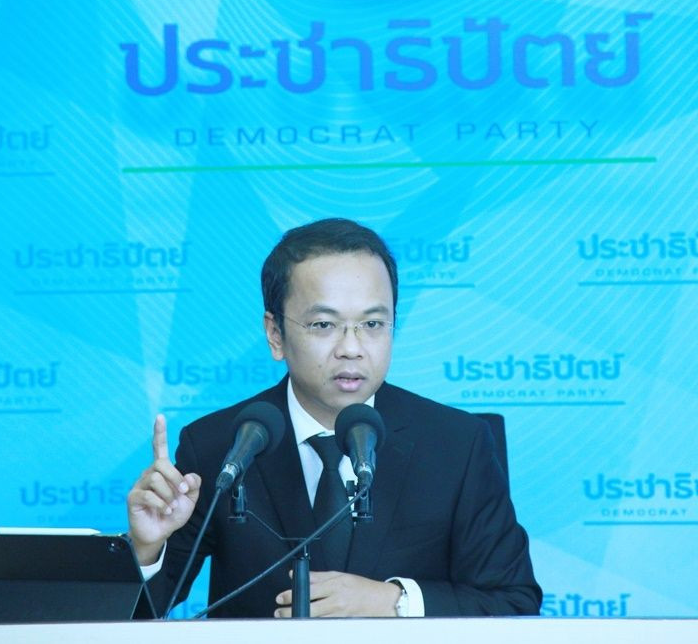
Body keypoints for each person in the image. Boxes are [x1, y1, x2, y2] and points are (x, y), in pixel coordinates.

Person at [127, 218, 541, 618]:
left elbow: (513, 601)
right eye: (324, 324)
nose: (352, 348)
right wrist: (147, 550)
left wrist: (393, 603)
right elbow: (139, 616)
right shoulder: (223, 445)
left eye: (372, 323)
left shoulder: (456, 445)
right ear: (275, 334)